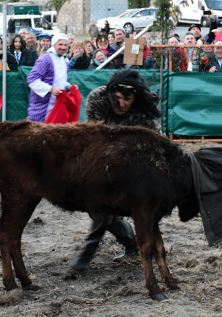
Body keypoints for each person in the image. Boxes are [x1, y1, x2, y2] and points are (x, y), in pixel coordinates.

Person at [70, 69, 162, 272]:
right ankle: (129, 243)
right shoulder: (98, 98)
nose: (121, 103)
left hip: (135, 167)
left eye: (126, 99)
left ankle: (89, 251)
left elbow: (156, 147)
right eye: (117, 97)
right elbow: (95, 136)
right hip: (103, 161)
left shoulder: (144, 114)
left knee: (104, 207)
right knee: (96, 207)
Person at [26, 33, 79, 122]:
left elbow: (61, 81)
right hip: (41, 108)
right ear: (54, 45)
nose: (63, 47)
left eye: (65, 45)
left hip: (58, 107)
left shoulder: (64, 62)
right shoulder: (45, 59)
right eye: (60, 44)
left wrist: (69, 87)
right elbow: (31, 79)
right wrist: (50, 89)